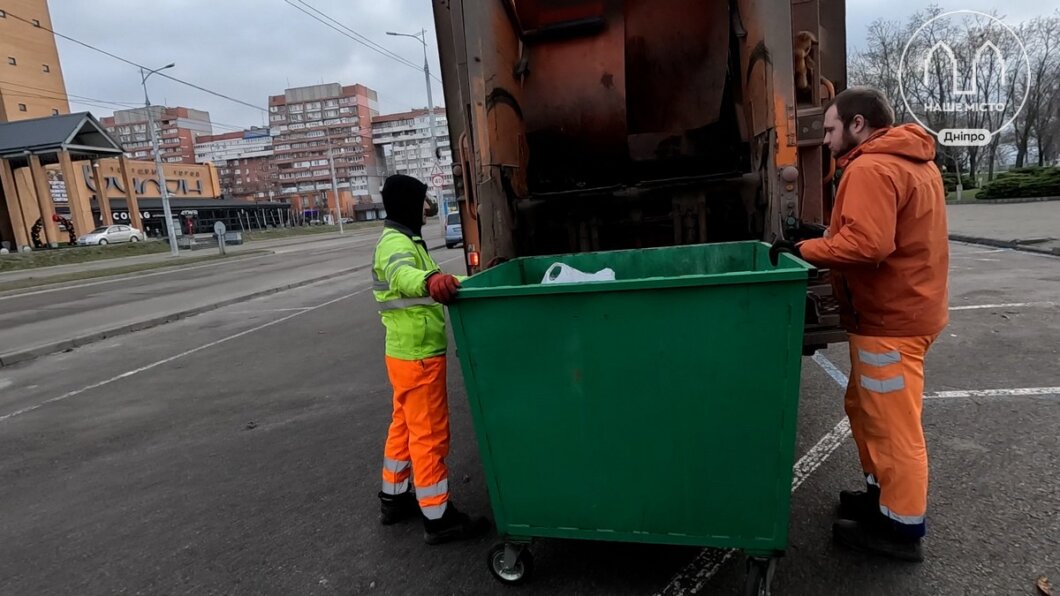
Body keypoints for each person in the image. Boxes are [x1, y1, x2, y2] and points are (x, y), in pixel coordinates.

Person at [771, 87, 949, 561]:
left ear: (857, 125)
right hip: (908, 311)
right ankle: (882, 500)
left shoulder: (871, 167)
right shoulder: (912, 161)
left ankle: (900, 531)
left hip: (890, 319)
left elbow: (869, 245)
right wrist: (821, 234)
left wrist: (803, 250)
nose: (825, 140)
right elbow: (877, 231)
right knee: (867, 409)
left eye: (830, 129)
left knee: (892, 427)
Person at [372, 174, 490, 545]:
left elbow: (432, 276)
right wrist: (428, 282)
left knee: (405, 427)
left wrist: (471, 283)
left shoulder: (404, 239)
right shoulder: (396, 245)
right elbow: (404, 275)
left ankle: (393, 498)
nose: (426, 211)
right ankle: (438, 517)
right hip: (419, 355)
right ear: (408, 204)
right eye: (422, 202)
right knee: (429, 434)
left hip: (405, 353)